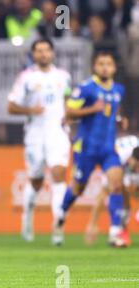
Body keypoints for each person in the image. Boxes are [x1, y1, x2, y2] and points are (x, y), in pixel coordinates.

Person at [58, 51, 129, 247]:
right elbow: (69, 112)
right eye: (100, 64)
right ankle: (62, 212)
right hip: (87, 148)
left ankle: (115, 232)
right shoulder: (86, 88)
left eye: (108, 64)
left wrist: (119, 119)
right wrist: (91, 109)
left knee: (116, 183)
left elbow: (111, 111)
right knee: (78, 187)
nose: (104, 67)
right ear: (94, 67)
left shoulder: (119, 90)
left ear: (114, 68)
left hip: (108, 148)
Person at [7, 39, 72, 243]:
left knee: (59, 174)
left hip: (58, 132)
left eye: (47, 50)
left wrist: (69, 115)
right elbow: (11, 107)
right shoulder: (26, 78)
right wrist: (30, 110)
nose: (43, 54)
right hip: (35, 133)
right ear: (33, 55)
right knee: (36, 181)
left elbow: (69, 101)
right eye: (39, 51)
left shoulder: (64, 77)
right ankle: (27, 218)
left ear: (52, 53)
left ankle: (58, 227)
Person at [85, 135, 139, 246]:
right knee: (117, 190)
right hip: (113, 157)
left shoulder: (133, 161)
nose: (137, 170)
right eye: (137, 166)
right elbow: (102, 195)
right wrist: (93, 224)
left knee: (128, 191)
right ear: (132, 159)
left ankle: (120, 231)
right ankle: (118, 231)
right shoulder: (115, 159)